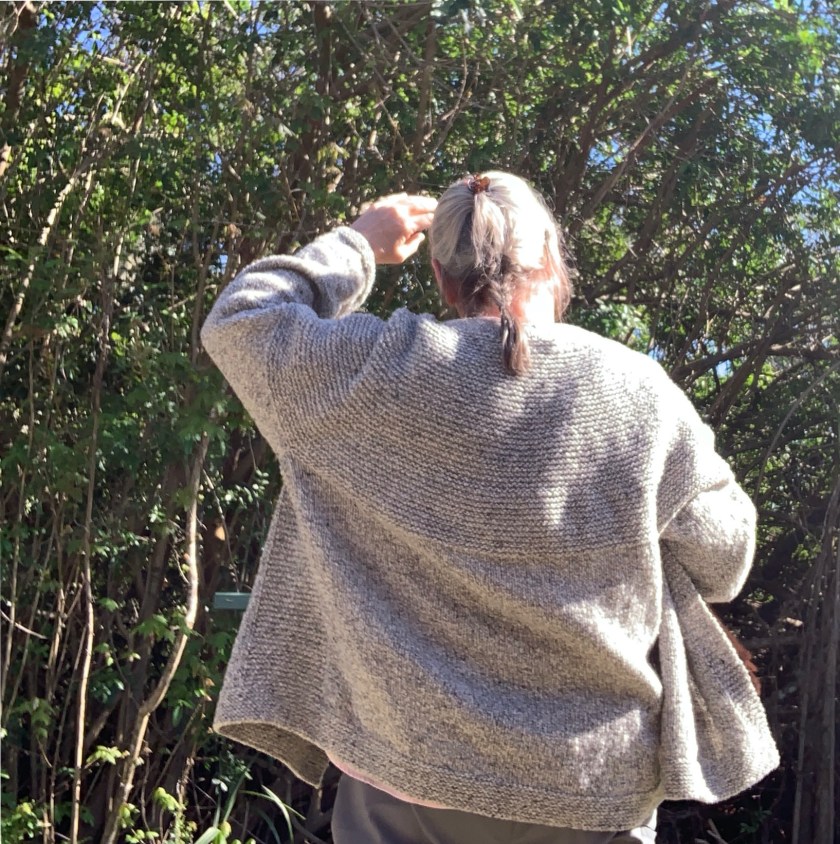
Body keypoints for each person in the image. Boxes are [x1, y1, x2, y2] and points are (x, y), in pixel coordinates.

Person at [201, 172, 778, 843]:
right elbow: (726, 558)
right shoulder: (641, 396)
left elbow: (244, 319)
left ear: (445, 282)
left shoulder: (373, 373)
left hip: (405, 782)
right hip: (589, 789)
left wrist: (362, 241)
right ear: (555, 264)